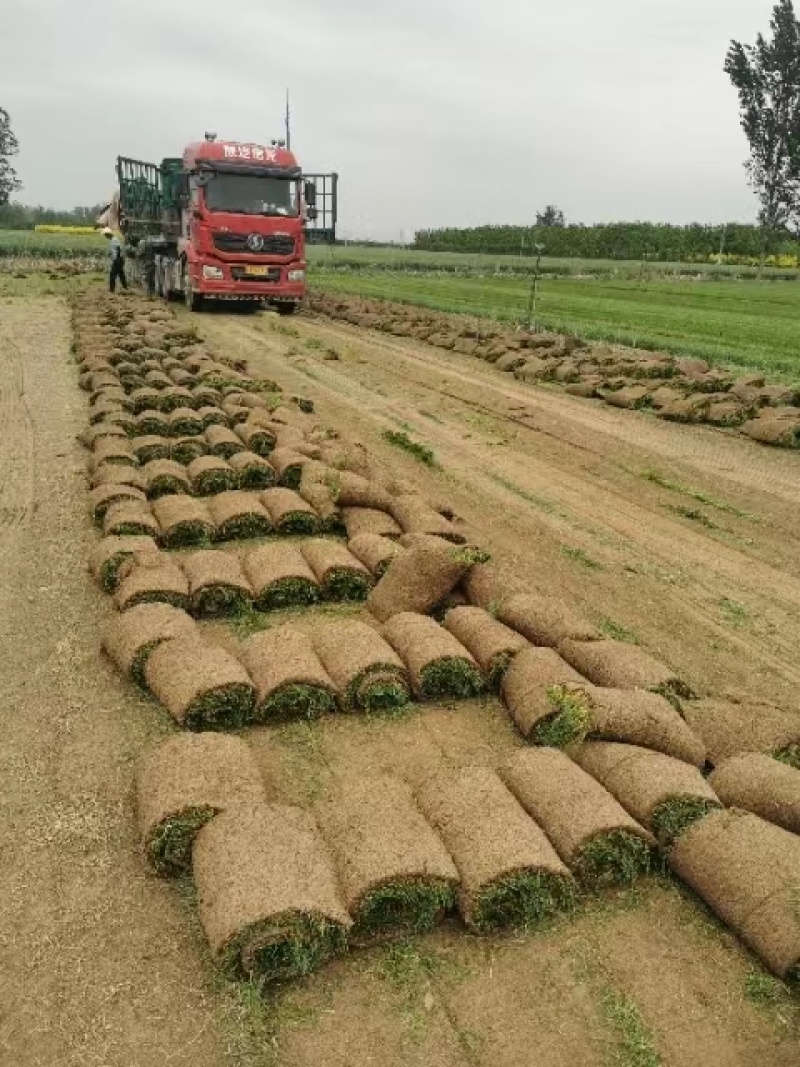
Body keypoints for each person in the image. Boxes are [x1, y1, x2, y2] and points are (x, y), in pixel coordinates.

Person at [103, 227, 127, 293]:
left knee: (112, 274)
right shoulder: (112, 240)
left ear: (108, 234)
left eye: (106, 235)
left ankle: (112, 290)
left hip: (118, 259)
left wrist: (116, 259)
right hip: (119, 259)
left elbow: (118, 249)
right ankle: (125, 287)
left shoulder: (114, 240)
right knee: (121, 274)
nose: (105, 236)